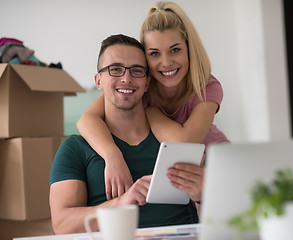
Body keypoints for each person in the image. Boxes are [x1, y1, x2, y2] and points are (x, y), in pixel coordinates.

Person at [49, 34, 203, 234]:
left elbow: (213, 216)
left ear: (147, 83)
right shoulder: (75, 148)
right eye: (115, 69)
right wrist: (120, 204)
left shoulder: (174, 140)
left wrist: (204, 194)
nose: (126, 78)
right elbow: (62, 225)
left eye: (137, 71)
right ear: (98, 80)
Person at [77, 1, 229, 201]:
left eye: (175, 50)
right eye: (154, 54)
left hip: (218, 166)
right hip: (182, 175)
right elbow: (86, 120)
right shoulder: (141, 84)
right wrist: (112, 156)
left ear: (189, 49)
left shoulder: (206, 86)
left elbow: (184, 142)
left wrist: (151, 113)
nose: (166, 62)